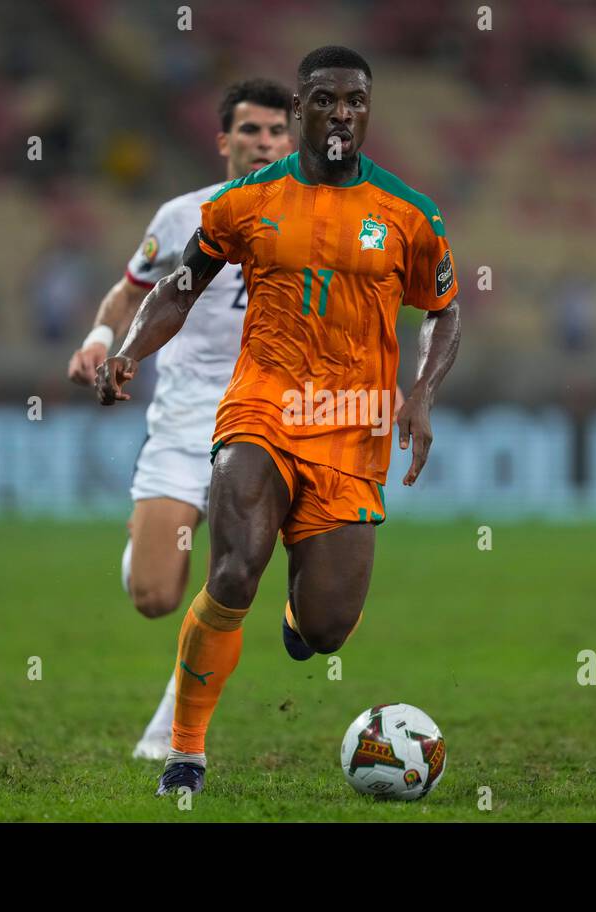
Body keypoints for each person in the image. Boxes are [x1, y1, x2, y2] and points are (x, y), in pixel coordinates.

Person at [94, 46, 462, 795]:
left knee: (326, 630)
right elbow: (179, 284)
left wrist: (422, 391)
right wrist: (128, 351)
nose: (342, 115)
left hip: (353, 427)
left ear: (369, 111)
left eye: (356, 102)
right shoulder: (247, 200)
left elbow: (446, 309)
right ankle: (185, 754)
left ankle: (301, 621)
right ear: (299, 113)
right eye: (325, 100)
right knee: (232, 571)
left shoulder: (409, 213)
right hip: (261, 408)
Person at [66, 79, 293, 760]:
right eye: (251, 131)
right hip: (187, 416)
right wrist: (101, 342)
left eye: (278, 131)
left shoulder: (320, 216)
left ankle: (171, 727)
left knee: (232, 577)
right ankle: (148, 540)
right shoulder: (180, 217)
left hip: (270, 420)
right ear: (225, 141)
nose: (265, 143)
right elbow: (127, 291)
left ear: (295, 139)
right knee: (156, 595)